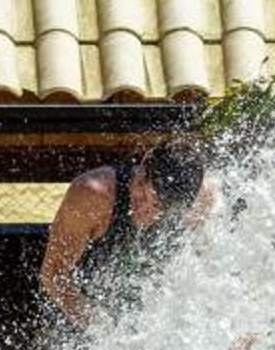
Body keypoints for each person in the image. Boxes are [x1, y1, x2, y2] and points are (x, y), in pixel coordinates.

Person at [39, 135, 212, 331]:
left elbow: (207, 273)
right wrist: (101, 330)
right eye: (141, 191)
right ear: (144, 163)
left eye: (157, 206)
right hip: (80, 318)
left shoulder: (197, 203)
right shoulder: (93, 194)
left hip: (150, 322)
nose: (143, 208)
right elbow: (53, 274)